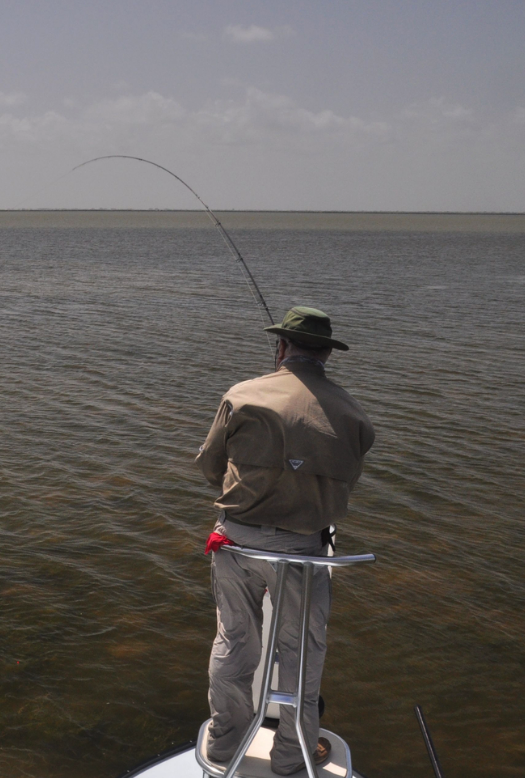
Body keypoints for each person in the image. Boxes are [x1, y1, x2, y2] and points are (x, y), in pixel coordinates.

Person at [195, 306, 375, 775]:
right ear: (326, 356)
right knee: (302, 653)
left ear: (281, 348)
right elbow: (349, 476)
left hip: (237, 545)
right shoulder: (352, 412)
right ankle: (292, 754)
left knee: (234, 642)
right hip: (303, 554)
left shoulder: (241, 395)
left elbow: (209, 465)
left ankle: (222, 746)